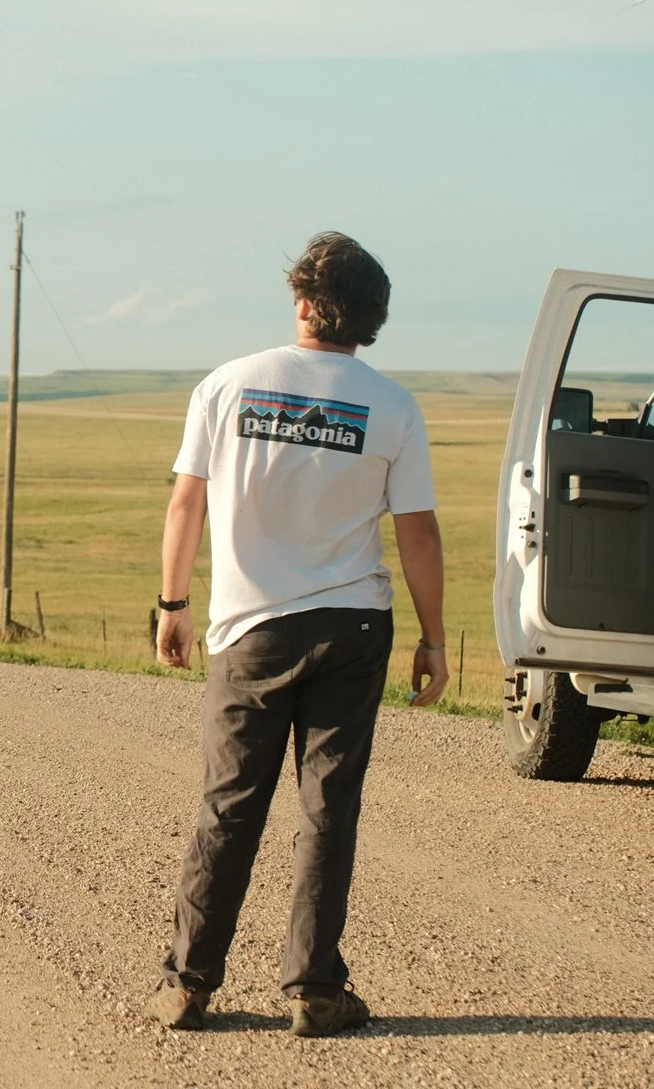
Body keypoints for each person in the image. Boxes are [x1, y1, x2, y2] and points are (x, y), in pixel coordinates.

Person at [146, 232, 449, 1038]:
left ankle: (186, 985)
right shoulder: (392, 405)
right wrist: (436, 639)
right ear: (369, 319)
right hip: (354, 626)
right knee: (329, 811)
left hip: (249, 630)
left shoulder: (228, 384)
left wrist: (173, 605)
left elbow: (186, 505)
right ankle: (315, 989)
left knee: (229, 806)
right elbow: (419, 534)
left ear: (308, 304)